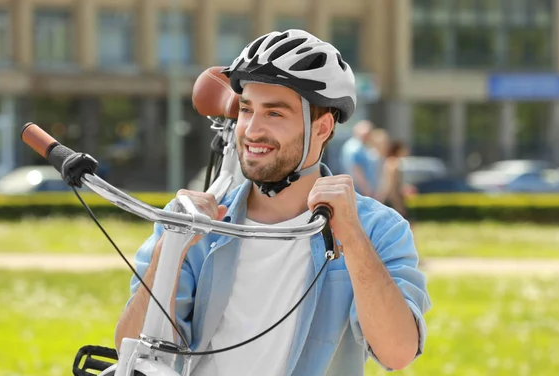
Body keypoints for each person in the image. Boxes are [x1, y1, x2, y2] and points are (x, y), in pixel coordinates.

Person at [114, 29, 431, 376]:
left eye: (274, 114)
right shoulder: (197, 224)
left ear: (322, 128)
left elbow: (398, 353)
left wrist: (352, 239)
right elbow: (132, 351)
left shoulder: (376, 229)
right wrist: (169, 251)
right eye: (247, 110)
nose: (251, 130)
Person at [338, 120, 381, 197]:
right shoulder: (355, 148)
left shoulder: (357, 146)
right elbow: (356, 171)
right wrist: (367, 190)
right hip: (359, 193)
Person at [376, 139, 410, 219]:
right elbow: (390, 185)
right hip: (392, 198)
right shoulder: (393, 164)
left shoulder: (391, 162)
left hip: (391, 197)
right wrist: (397, 203)